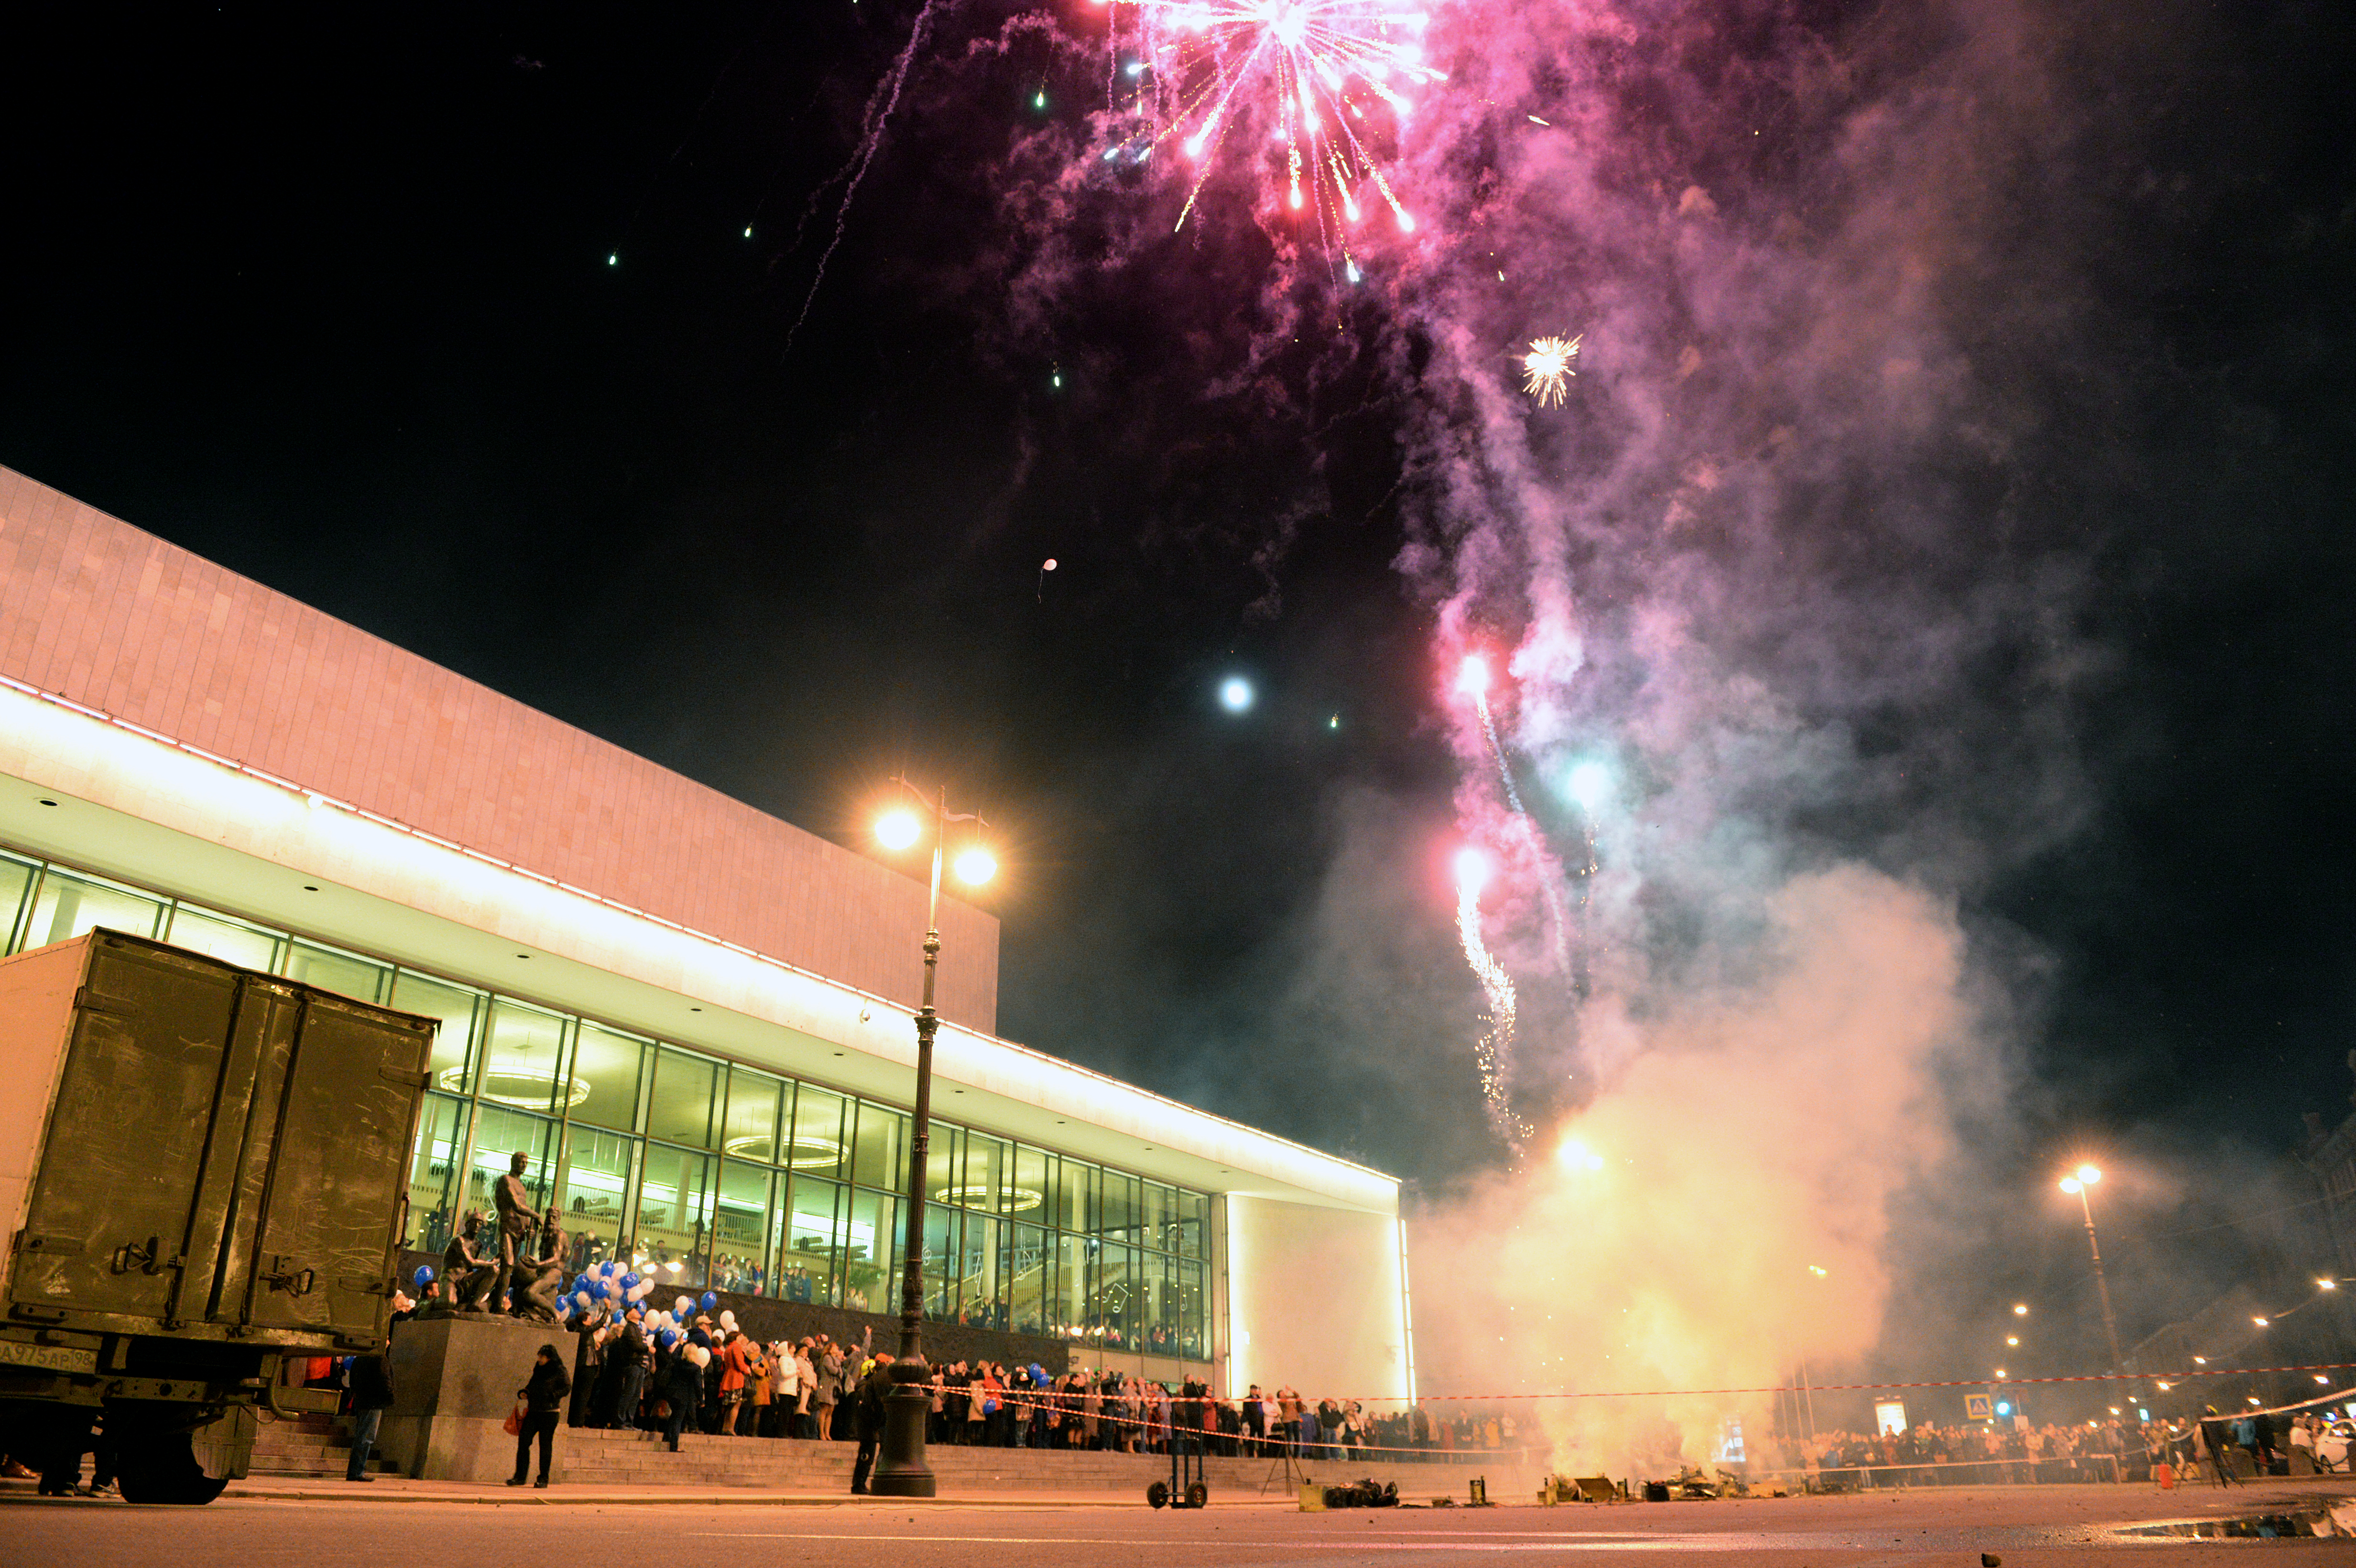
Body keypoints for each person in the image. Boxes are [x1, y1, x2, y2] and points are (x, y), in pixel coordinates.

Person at [509, 1343, 569, 1489]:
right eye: (539, 1356)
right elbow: (533, 1384)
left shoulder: (559, 1370)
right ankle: (520, 1477)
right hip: (534, 1411)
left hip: (550, 1413)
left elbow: (567, 1387)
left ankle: (543, 1479)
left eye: (542, 1357)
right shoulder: (539, 1368)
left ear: (550, 1358)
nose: (540, 1359)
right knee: (524, 1441)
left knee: (545, 1445)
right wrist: (524, 1392)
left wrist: (553, 1396)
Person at [346, 1341, 395, 1482]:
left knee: (361, 1436)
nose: (388, 1341)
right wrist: (390, 1397)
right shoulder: (380, 1359)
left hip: (361, 1401)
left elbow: (353, 1380)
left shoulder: (361, 1358)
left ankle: (354, 1471)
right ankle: (357, 1472)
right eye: (386, 1339)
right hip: (374, 1402)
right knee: (367, 1437)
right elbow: (385, 1380)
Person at [849, 1352, 895, 1494]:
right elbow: (868, 1405)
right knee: (866, 1457)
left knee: (867, 1456)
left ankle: (859, 1484)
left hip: (868, 1427)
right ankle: (858, 1485)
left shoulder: (866, 1384)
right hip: (868, 1428)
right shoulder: (865, 1386)